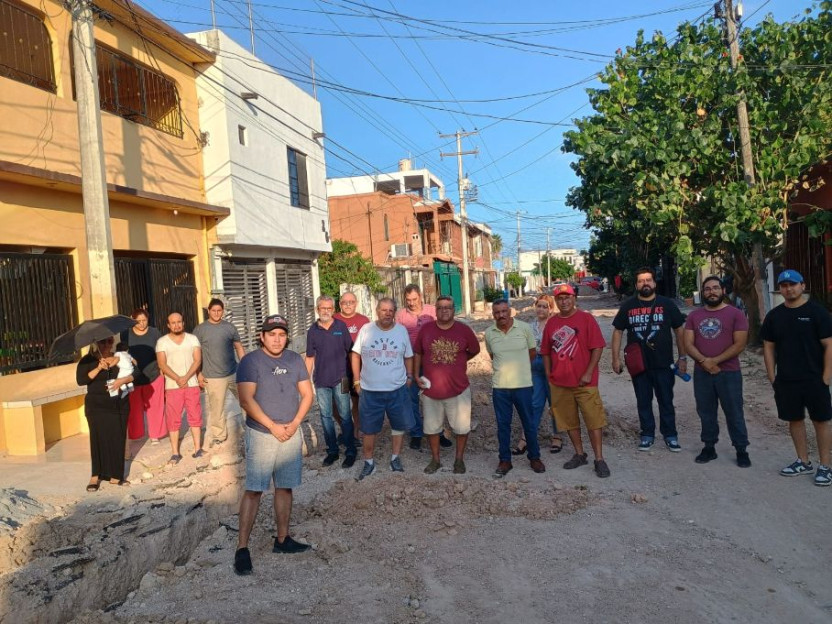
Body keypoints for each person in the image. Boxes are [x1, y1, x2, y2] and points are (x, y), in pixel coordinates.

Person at [233, 314, 314, 575]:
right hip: (262, 434)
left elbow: (307, 394)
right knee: (254, 489)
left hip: (290, 432)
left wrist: (295, 423)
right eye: (272, 334)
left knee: (285, 487)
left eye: (281, 334)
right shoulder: (250, 361)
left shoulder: (294, 359)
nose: (277, 339)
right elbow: (246, 400)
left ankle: (282, 539)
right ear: (262, 336)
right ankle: (242, 548)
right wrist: (272, 426)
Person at [761, 270, 832, 487]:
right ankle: (803, 461)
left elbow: (829, 345)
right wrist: (772, 376)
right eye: (784, 285)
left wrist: (826, 376)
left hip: (814, 378)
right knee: (795, 419)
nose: (788, 289)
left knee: (821, 420)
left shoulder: (817, 312)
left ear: (802, 285)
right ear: (780, 289)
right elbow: (768, 347)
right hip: (787, 379)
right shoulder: (774, 316)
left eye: (793, 284)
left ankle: (825, 466)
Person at [611, 267, 687, 452]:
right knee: (643, 401)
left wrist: (683, 357)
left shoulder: (667, 304)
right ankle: (647, 434)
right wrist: (615, 358)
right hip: (639, 365)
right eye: (640, 281)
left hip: (663, 363)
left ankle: (670, 435)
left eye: (648, 280)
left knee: (666, 400)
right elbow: (618, 331)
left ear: (654, 283)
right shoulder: (628, 306)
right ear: (636, 285)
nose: (645, 283)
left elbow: (679, 331)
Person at [542, 284, 610, 477]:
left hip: (585, 382)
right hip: (560, 383)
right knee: (569, 421)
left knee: (593, 421)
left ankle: (599, 459)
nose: (564, 301)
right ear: (556, 301)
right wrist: (549, 375)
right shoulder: (551, 323)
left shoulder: (586, 319)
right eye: (560, 298)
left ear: (574, 298)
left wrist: (588, 372)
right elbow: (545, 351)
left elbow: (597, 347)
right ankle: (579, 454)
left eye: (567, 297)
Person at [683, 275, 750, 467]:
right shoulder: (694, 316)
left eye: (715, 288)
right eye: (707, 289)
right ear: (703, 293)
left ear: (723, 291)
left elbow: (740, 344)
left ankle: (741, 449)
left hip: (729, 372)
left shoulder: (736, 314)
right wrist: (704, 361)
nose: (711, 292)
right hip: (702, 372)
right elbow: (688, 343)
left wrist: (715, 361)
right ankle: (709, 447)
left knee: (734, 411)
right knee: (706, 411)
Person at [414, 295, 481, 475]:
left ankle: (459, 460)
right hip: (431, 390)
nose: (444, 310)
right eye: (440, 307)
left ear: (453, 310)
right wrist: (416, 374)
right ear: (435, 310)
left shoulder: (464, 330)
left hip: (458, 389)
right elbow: (418, 352)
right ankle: (435, 460)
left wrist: (460, 359)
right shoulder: (426, 329)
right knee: (431, 428)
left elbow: (475, 350)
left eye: (448, 307)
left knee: (461, 428)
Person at [351, 297, 415, 480]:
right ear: (377, 311)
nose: (387, 313)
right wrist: (356, 381)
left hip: (397, 389)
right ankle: (369, 462)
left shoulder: (401, 331)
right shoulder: (366, 329)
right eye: (383, 310)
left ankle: (395, 458)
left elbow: (408, 356)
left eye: (391, 310)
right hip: (370, 390)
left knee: (398, 425)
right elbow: (355, 355)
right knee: (368, 429)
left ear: (394, 312)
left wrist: (409, 376)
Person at [484, 299, 545, 477]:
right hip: (500, 387)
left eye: (504, 311)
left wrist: (520, 369)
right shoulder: (489, 333)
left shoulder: (524, 329)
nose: (501, 315)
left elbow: (532, 353)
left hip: (523, 386)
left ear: (510, 311)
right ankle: (505, 460)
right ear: (493, 314)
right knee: (503, 425)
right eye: (497, 312)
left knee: (529, 424)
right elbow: (493, 355)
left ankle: (534, 457)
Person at [396, 284, 451, 450]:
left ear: (420, 296)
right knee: (411, 398)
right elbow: (398, 338)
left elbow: (443, 329)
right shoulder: (401, 315)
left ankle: (438, 432)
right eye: (408, 300)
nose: (411, 303)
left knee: (434, 397)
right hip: (409, 362)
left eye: (414, 299)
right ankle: (416, 433)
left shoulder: (431, 311)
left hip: (431, 362)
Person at [306, 295, 357, 469]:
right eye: (323, 308)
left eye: (329, 308)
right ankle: (332, 451)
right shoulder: (312, 331)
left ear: (333, 310)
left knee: (345, 415)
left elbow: (351, 352)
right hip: (321, 381)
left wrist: (355, 376)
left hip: (342, 379)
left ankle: (350, 451)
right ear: (317, 309)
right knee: (326, 417)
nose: (326, 311)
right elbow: (309, 357)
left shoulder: (341, 327)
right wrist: (305, 381)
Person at [76, 336, 133, 491]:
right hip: (97, 406)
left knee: (117, 439)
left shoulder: (119, 357)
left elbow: (137, 373)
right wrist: (99, 368)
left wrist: (122, 380)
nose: (107, 345)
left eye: (110, 341)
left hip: (119, 404)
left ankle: (116, 475)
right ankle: (96, 475)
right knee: (98, 440)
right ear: (96, 343)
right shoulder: (87, 360)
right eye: (103, 342)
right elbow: (81, 380)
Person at [513, 294, 563, 456]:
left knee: (555, 403)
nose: (541, 309)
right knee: (534, 403)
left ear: (551, 309)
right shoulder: (529, 326)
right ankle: (526, 438)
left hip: (551, 366)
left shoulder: (556, 325)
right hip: (534, 367)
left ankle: (557, 436)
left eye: (544, 306)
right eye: (539, 306)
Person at [194, 299, 245, 449]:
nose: (216, 313)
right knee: (217, 409)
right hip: (212, 376)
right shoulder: (200, 330)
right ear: (208, 311)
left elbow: (239, 347)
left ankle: (252, 426)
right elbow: (195, 354)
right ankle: (219, 436)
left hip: (233, 372)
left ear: (223, 311)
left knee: (246, 400)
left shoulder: (229, 327)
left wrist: (245, 366)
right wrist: (198, 373)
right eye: (213, 310)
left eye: (219, 310)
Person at [156, 312, 203, 463]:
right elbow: (162, 364)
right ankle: (175, 453)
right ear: (168, 325)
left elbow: (197, 360)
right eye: (173, 322)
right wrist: (177, 378)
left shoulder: (192, 339)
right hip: (172, 386)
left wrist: (186, 377)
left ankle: (198, 449)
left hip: (192, 383)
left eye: (179, 322)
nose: (176, 325)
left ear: (183, 323)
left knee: (195, 416)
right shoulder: (162, 342)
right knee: (173, 419)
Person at [123, 309, 165, 445]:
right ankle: (136, 435)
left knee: (155, 406)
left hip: (153, 374)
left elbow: (161, 351)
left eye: (144, 320)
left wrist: (162, 368)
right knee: (134, 407)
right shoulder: (125, 334)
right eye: (138, 321)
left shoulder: (154, 332)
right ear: (132, 319)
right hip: (133, 376)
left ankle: (155, 435)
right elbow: (122, 352)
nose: (142, 324)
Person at [334, 291, 370, 433]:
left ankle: (355, 432)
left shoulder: (364, 321)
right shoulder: (333, 319)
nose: (348, 305)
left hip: (359, 367)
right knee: (335, 403)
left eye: (351, 302)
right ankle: (345, 428)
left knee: (357, 400)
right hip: (338, 368)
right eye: (344, 302)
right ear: (340, 304)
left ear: (356, 303)